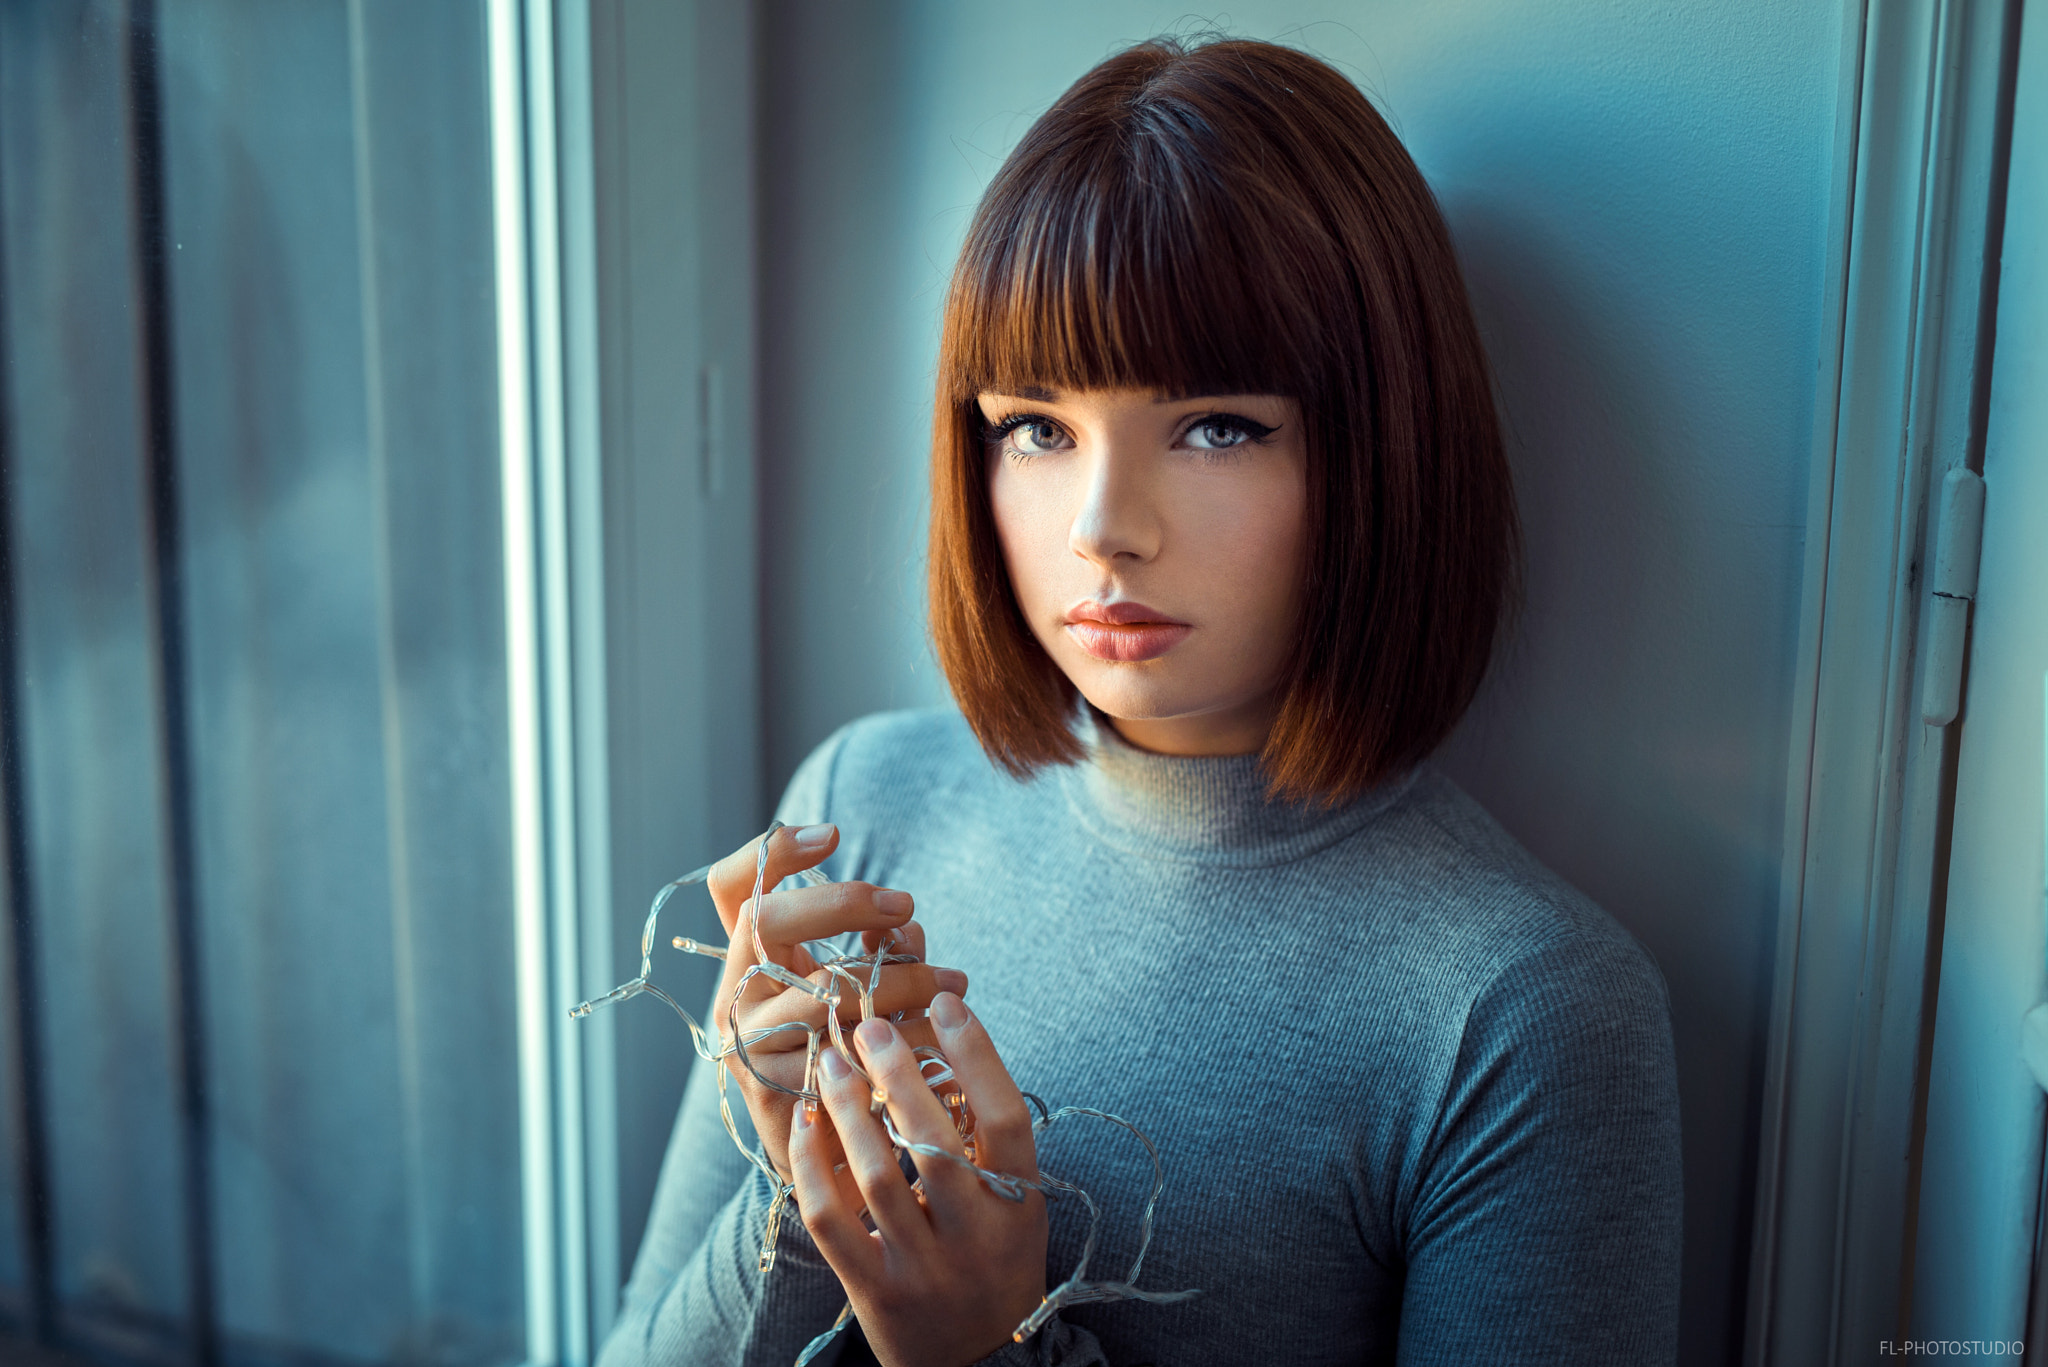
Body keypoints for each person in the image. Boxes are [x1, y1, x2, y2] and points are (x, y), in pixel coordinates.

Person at [598, 34, 1682, 1367]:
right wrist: (801, 1193)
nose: (1104, 530)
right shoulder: (859, 810)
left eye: (1217, 427)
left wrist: (990, 1352)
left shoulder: (1523, 1010)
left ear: (1384, 448)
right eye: (1036, 430)